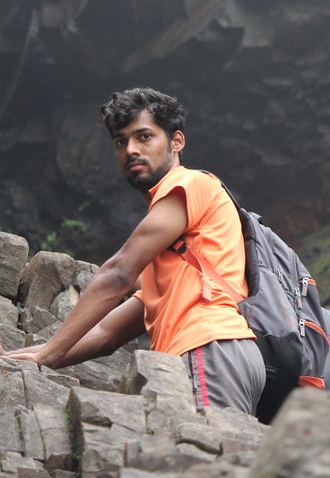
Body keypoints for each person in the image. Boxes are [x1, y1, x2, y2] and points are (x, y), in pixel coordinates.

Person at [4, 88, 265, 415]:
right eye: (120, 141)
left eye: (144, 137)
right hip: (223, 353)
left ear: (176, 141)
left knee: (209, 460)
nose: (131, 150)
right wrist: (27, 356)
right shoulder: (174, 265)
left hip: (207, 348)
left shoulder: (189, 184)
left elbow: (118, 274)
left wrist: (50, 355)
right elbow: (105, 334)